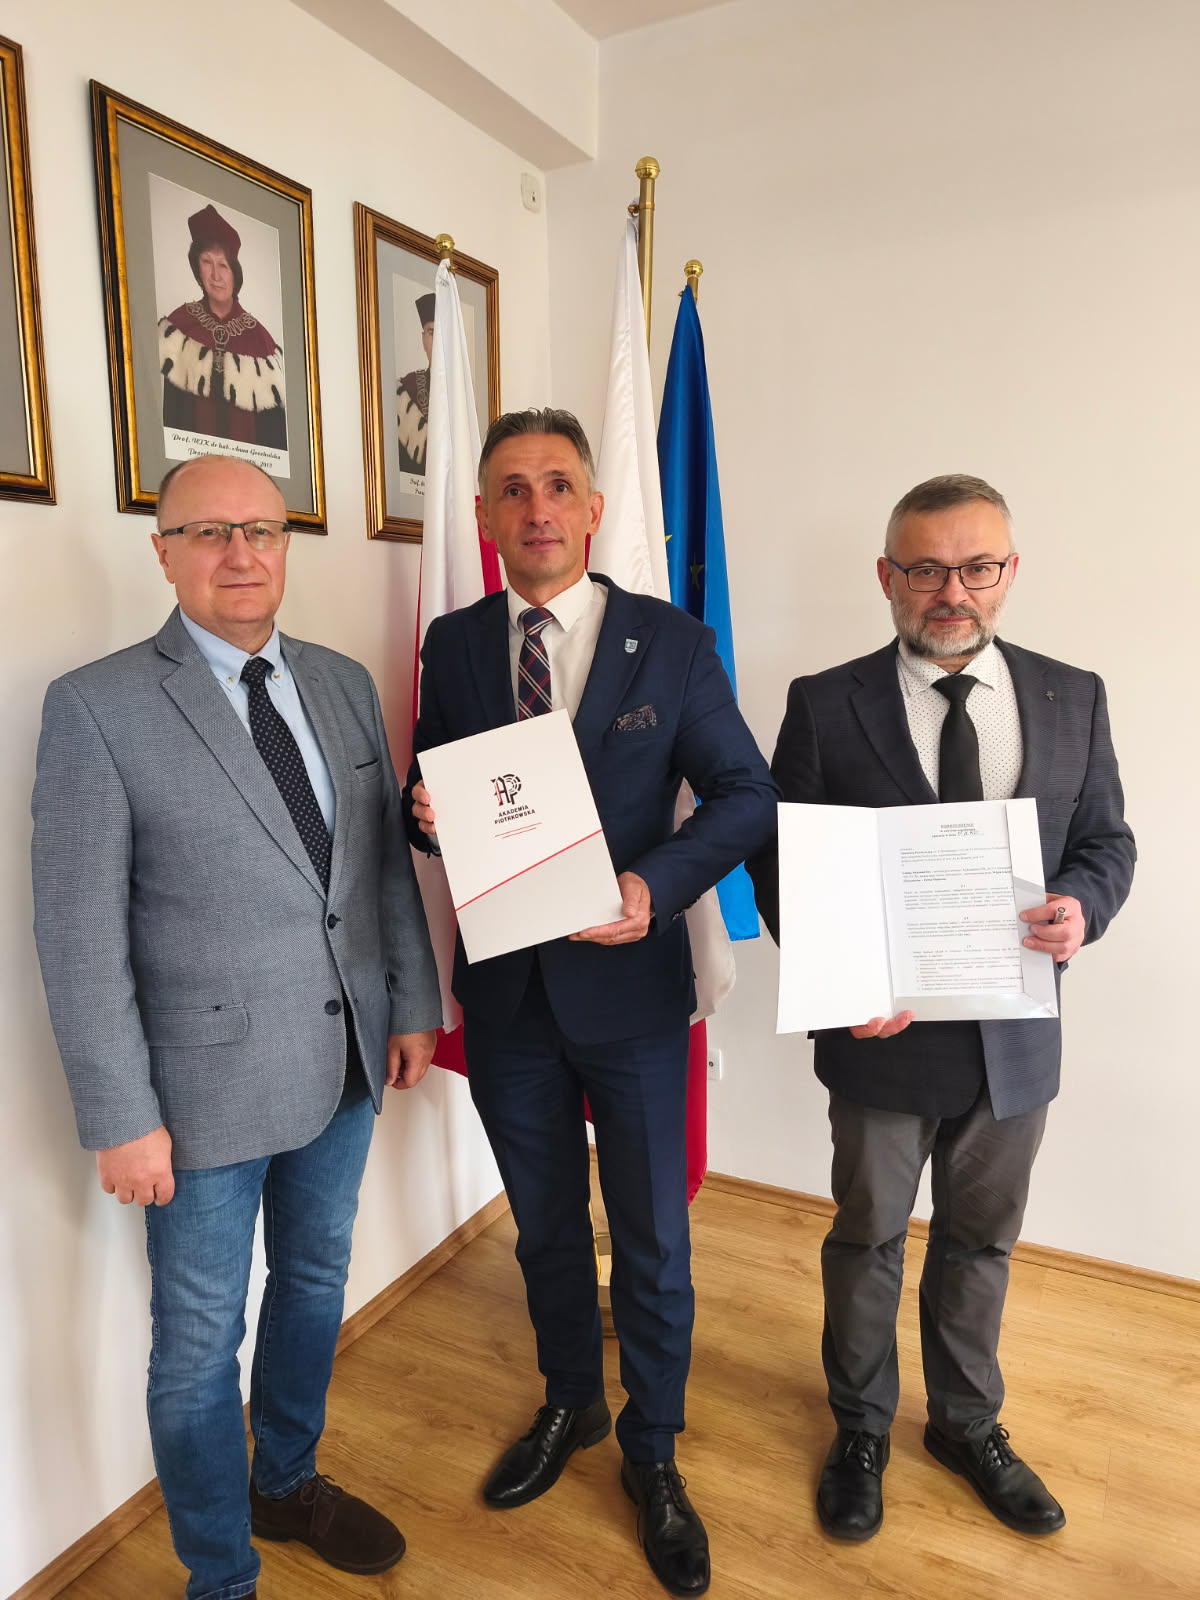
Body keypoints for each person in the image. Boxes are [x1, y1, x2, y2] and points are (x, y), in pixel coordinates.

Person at [31, 454, 441, 1600]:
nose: (240, 553)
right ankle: (220, 1575)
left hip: (346, 1061)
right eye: (207, 532)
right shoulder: (97, 707)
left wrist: (412, 1001)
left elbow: (379, 869)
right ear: (162, 553)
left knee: (314, 1280)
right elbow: (76, 933)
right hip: (197, 1095)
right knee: (198, 1343)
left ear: (285, 544)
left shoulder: (341, 682)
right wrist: (120, 1115)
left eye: (260, 528)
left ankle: (287, 1479)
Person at [404, 408, 778, 1598]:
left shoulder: (668, 641)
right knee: (548, 1228)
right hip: (508, 997)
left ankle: (654, 1450)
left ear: (594, 507)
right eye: (512, 490)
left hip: (631, 991)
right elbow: (432, 783)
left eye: (558, 484)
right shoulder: (456, 642)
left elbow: (744, 794)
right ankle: (572, 1400)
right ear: (484, 515)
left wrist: (653, 887)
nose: (537, 509)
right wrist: (420, 807)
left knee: (652, 1238)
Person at [748, 474, 1135, 1543]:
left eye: (976, 567)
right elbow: (781, 864)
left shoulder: (1073, 695)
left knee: (982, 1244)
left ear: (1010, 571)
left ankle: (966, 1424)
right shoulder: (825, 702)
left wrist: (1082, 908)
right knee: (868, 1238)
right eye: (925, 569)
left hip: (1016, 1040)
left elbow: (1106, 841)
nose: (951, 591)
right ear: (887, 577)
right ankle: (861, 1428)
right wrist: (841, 978)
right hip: (883, 1038)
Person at [159, 204, 287, 450]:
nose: (216, 276)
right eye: (207, 262)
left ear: (234, 272)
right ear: (197, 268)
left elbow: (275, 436)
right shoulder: (180, 326)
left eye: (223, 265)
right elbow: (171, 417)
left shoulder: (260, 339)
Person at [396, 292, 435, 475]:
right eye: (431, 333)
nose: (437, 341)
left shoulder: (464, 396)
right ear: (423, 339)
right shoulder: (408, 386)